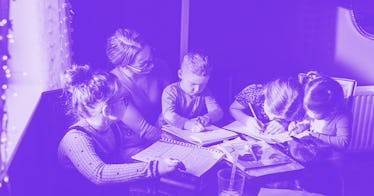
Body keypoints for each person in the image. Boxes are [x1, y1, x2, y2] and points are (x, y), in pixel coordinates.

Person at [58, 64, 182, 186]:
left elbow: (126, 152)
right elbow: (99, 174)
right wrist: (155, 168)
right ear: (107, 110)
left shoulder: (112, 126)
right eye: (123, 100)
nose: (127, 103)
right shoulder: (75, 139)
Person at [106, 28, 171, 125]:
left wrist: (167, 116)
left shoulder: (160, 66)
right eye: (144, 64)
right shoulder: (114, 85)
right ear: (124, 65)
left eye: (151, 57)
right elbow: (143, 130)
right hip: (134, 137)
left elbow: (173, 101)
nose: (152, 65)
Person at [160, 52, 224, 132]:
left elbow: (218, 111)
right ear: (180, 74)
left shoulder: (205, 92)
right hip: (165, 132)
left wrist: (206, 118)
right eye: (193, 84)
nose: (197, 89)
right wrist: (187, 124)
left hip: (188, 133)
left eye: (203, 84)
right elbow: (169, 115)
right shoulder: (171, 91)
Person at [229, 76, 304, 135]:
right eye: (270, 112)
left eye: (279, 118)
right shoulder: (253, 92)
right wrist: (246, 120)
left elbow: (301, 122)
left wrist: (285, 123)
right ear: (265, 94)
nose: (271, 118)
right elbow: (233, 109)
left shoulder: (298, 103)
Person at [298, 71, 352, 149]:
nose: (309, 114)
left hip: (331, 155)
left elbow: (343, 142)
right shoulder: (317, 109)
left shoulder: (343, 117)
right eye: (308, 110)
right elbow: (311, 124)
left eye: (314, 112)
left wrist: (314, 135)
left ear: (331, 110)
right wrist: (303, 126)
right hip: (314, 149)